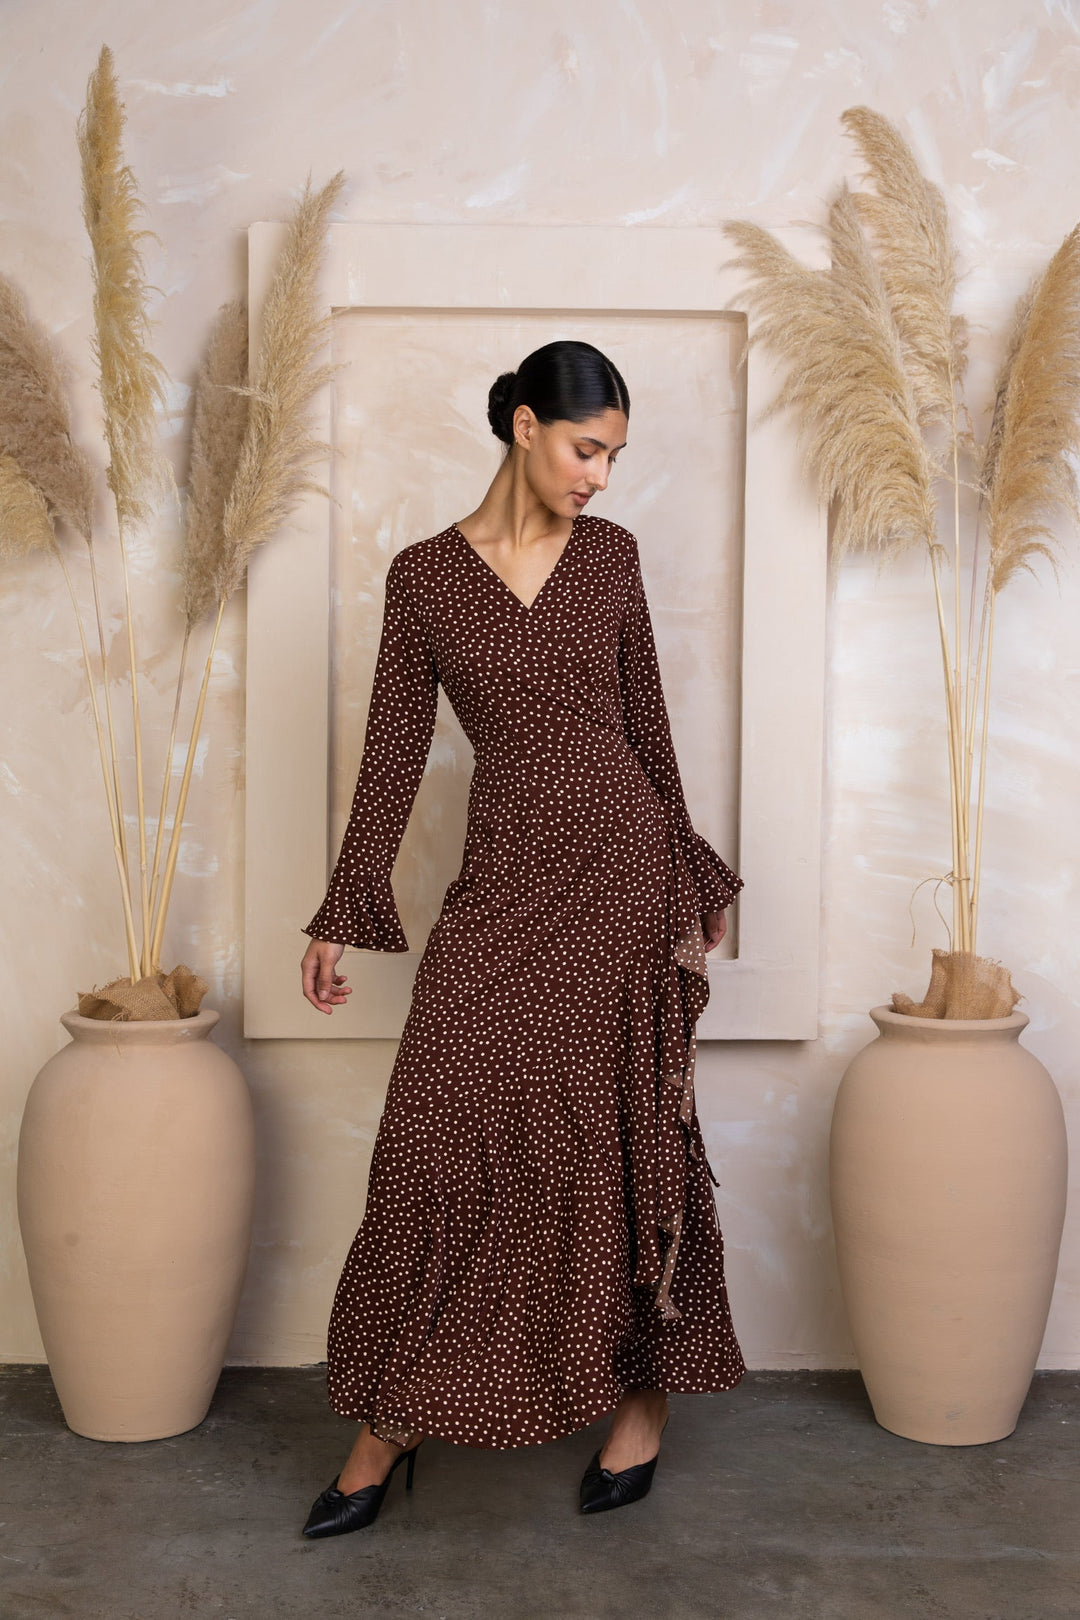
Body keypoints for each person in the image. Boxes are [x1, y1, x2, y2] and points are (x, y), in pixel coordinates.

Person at [298, 339, 746, 1538]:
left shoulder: (612, 559)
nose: (601, 476)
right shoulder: (426, 579)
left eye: (614, 456)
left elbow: (647, 725)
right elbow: (392, 753)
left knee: (622, 1135)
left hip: (623, 878)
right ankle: (387, 1426)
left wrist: (694, 870)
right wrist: (347, 908)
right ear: (523, 428)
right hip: (501, 888)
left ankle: (641, 1400)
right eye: (586, 448)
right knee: (439, 1134)